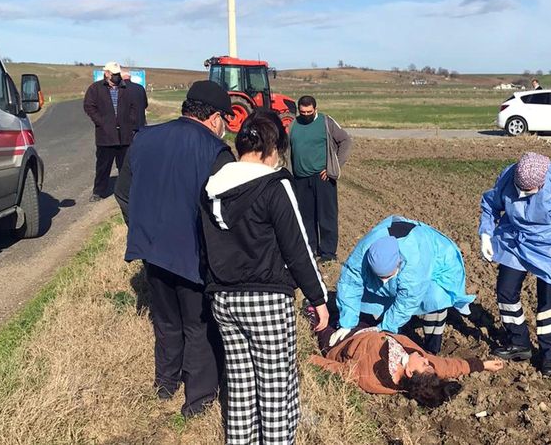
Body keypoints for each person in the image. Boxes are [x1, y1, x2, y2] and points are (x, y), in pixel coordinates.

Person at [200, 109, 329, 444]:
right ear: (269, 151)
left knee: (240, 388)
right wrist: (318, 299)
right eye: (278, 154)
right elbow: (298, 247)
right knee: (276, 391)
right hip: (267, 300)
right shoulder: (276, 185)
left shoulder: (210, 188)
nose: (279, 161)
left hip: (223, 300)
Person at [115, 80, 235, 418]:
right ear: (213, 118)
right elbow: (224, 213)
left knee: (165, 320)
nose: (223, 125)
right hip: (193, 254)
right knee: (198, 326)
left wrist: (142, 229)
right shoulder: (216, 152)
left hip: (152, 250)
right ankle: (197, 400)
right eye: (223, 118)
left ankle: (165, 384)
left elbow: (123, 194)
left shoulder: (144, 138)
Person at [479, 152, 551, 378]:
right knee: (505, 291)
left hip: (549, 244)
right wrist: (486, 234)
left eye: (528, 192)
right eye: (518, 190)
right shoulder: (508, 178)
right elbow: (490, 205)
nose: (521, 195)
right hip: (515, 238)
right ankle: (519, 342)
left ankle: (549, 355)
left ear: (541, 183)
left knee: (548, 302)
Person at [333, 216, 476, 354]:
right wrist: (347, 323)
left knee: (435, 299)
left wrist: (386, 327)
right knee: (379, 290)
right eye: (380, 277)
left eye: (388, 276)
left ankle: (432, 347)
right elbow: (349, 284)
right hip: (399, 259)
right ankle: (389, 327)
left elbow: (408, 300)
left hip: (439, 261)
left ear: (399, 262)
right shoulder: (364, 251)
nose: (384, 281)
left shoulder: (414, 263)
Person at [308, 317, 504, 407]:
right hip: (368, 328)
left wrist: (310, 359)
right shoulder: (414, 361)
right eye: (428, 362)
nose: (426, 358)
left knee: (319, 320)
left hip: (339, 342)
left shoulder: (372, 377)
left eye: (424, 364)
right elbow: (447, 367)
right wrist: (482, 365)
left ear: (410, 372)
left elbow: (339, 370)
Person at [288, 95, 353, 263]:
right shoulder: (293, 125)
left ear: (315, 109)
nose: (306, 114)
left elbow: (345, 141)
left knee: (326, 216)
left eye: (309, 111)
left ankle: (328, 253)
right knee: (306, 217)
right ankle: (310, 250)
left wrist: (334, 167)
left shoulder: (326, 122)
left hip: (322, 178)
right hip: (300, 179)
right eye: (303, 112)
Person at [83, 62, 140, 202]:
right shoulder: (95, 89)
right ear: (107, 73)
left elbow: (134, 107)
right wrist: (101, 122)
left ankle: (127, 191)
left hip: (124, 135)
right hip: (105, 135)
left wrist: (130, 121)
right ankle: (99, 192)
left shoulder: (125, 88)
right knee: (103, 166)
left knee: (125, 166)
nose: (116, 76)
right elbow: (89, 106)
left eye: (117, 74)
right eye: (114, 74)